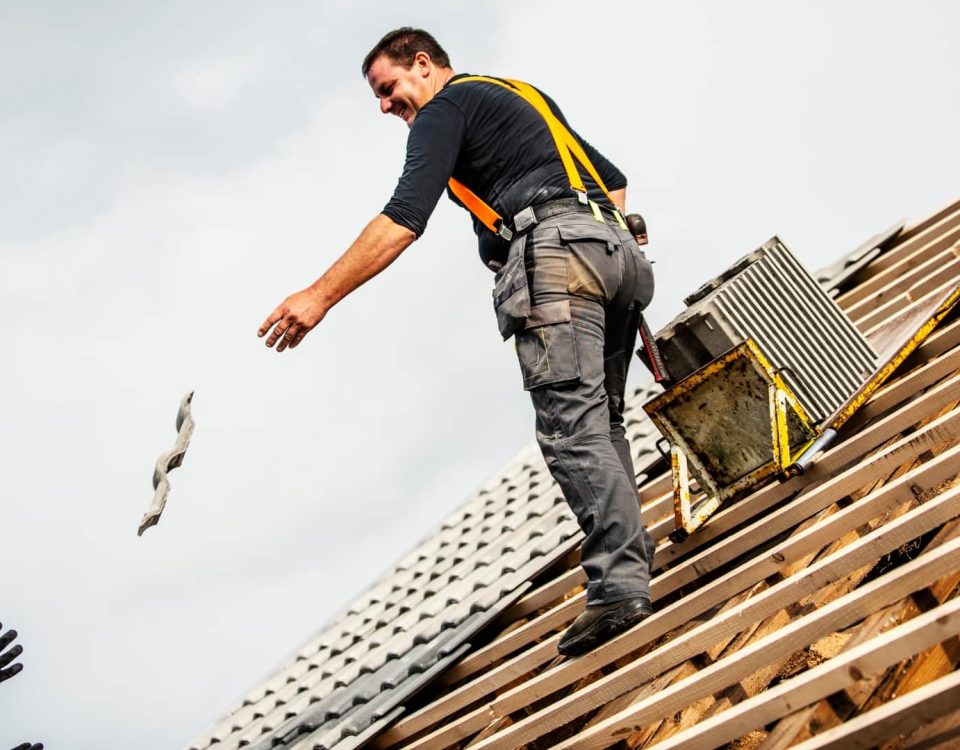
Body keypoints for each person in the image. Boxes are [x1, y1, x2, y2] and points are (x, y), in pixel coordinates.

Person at [258, 27, 655, 656]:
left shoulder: (445, 109)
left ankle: (619, 589)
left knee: (573, 430)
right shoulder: (515, 93)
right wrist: (590, 233)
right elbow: (613, 181)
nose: (385, 106)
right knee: (602, 425)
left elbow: (403, 216)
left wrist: (318, 295)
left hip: (557, 259)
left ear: (423, 64)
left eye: (387, 89)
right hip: (617, 255)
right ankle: (631, 567)